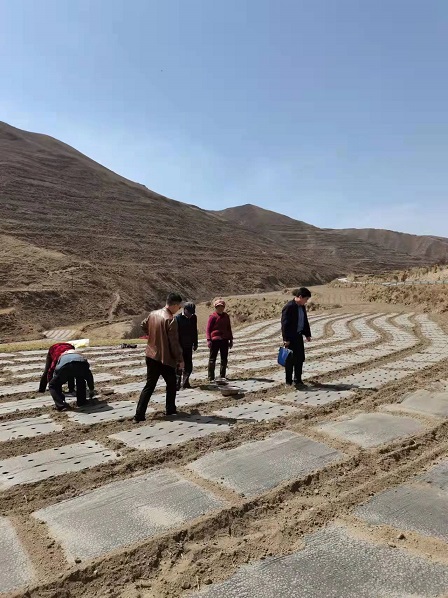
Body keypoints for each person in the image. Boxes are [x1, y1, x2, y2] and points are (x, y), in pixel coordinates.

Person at [134, 292, 184, 421]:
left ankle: (139, 415)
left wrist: (152, 335)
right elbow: (174, 343)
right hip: (164, 358)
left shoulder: (153, 314)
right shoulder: (171, 320)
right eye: (179, 306)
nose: (179, 309)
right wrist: (180, 359)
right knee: (171, 384)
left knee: (149, 385)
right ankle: (170, 410)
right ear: (175, 305)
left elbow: (143, 325)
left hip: (150, 354)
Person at [281, 287, 312, 387]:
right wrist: (286, 339)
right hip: (290, 338)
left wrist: (307, 334)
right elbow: (284, 325)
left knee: (300, 359)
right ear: (300, 297)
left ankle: (298, 380)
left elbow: (305, 321)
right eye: (306, 299)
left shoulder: (302, 307)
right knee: (290, 360)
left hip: (298, 336)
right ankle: (288, 381)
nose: (306, 301)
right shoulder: (289, 307)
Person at [206, 298, 233, 381]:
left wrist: (231, 339)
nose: (220, 308)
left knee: (224, 359)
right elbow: (208, 329)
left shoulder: (226, 316)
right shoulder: (212, 317)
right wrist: (208, 340)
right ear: (215, 307)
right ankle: (211, 377)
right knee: (212, 359)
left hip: (224, 340)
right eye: (218, 307)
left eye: (221, 307)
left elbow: (229, 328)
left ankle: (222, 375)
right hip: (215, 340)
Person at [175, 302, 198, 390]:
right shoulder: (177, 318)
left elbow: (194, 331)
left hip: (189, 345)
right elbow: (175, 334)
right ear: (184, 310)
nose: (190, 315)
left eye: (192, 313)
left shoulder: (193, 318)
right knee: (179, 365)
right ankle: (177, 383)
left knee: (188, 365)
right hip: (180, 345)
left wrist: (195, 343)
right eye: (189, 312)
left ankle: (185, 382)